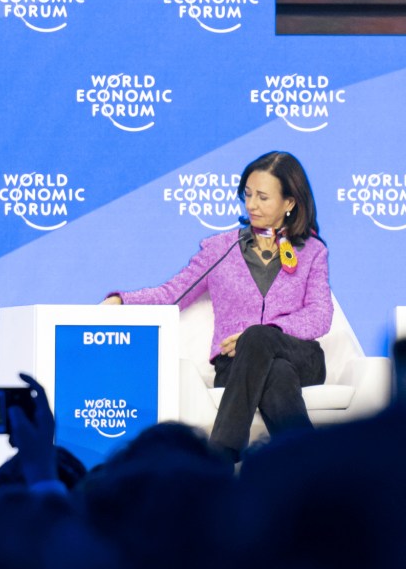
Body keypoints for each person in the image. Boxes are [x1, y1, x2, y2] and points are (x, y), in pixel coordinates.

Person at [106, 151, 334, 462]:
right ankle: (313, 467)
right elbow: (174, 293)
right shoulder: (220, 249)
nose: (251, 205)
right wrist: (124, 300)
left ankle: (218, 460)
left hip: (301, 358)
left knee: (259, 338)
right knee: (274, 372)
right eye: (248, 194)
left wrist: (267, 332)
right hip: (235, 365)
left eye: (263, 197)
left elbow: (320, 315)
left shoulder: (312, 251)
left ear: (290, 203)